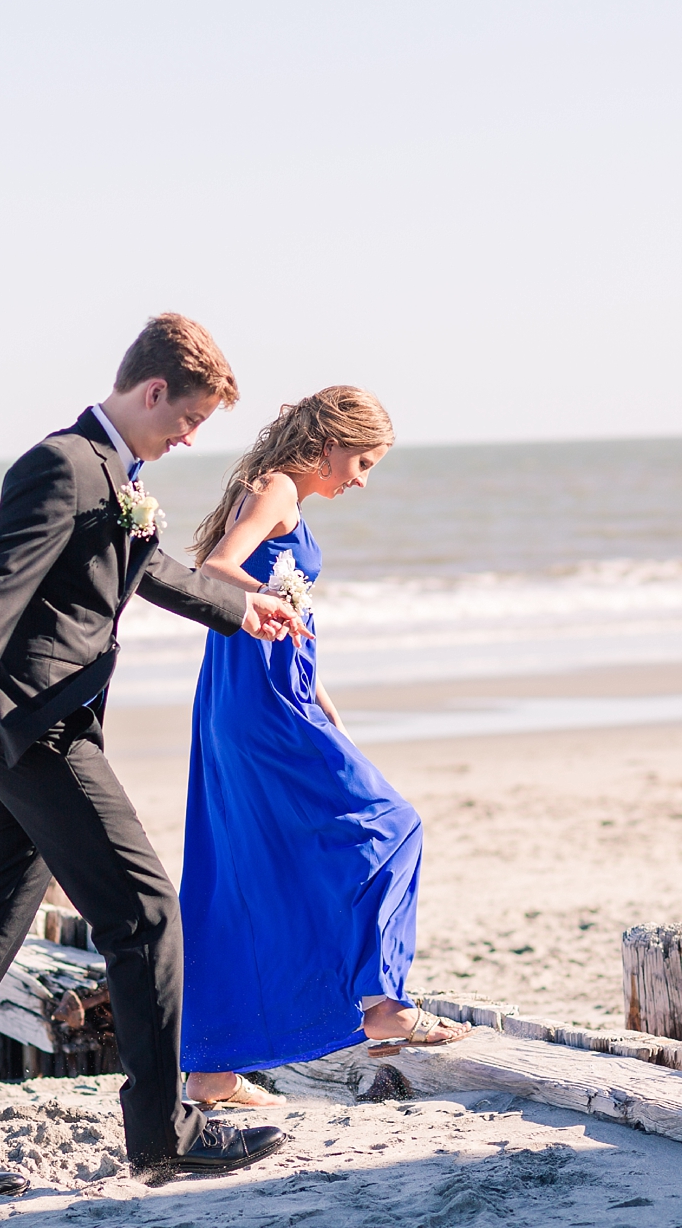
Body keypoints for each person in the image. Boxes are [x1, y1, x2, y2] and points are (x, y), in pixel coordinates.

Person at [0, 314, 304, 1197]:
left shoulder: (116, 472)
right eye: (189, 421)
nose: (190, 439)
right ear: (153, 392)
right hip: (35, 731)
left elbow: (144, 568)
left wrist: (240, 608)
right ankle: (165, 1133)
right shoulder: (62, 464)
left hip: (22, 731)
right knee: (147, 915)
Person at [178, 386, 469, 1110]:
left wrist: (316, 685)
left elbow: (273, 599)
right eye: (362, 461)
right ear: (331, 442)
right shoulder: (277, 488)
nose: (362, 479)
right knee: (393, 823)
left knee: (248, 868)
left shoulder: (279, 494)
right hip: (258, 698)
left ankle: (211, 1072)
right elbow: (214, 571)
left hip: (268, 691)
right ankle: (384, 1008)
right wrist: (276, 615)